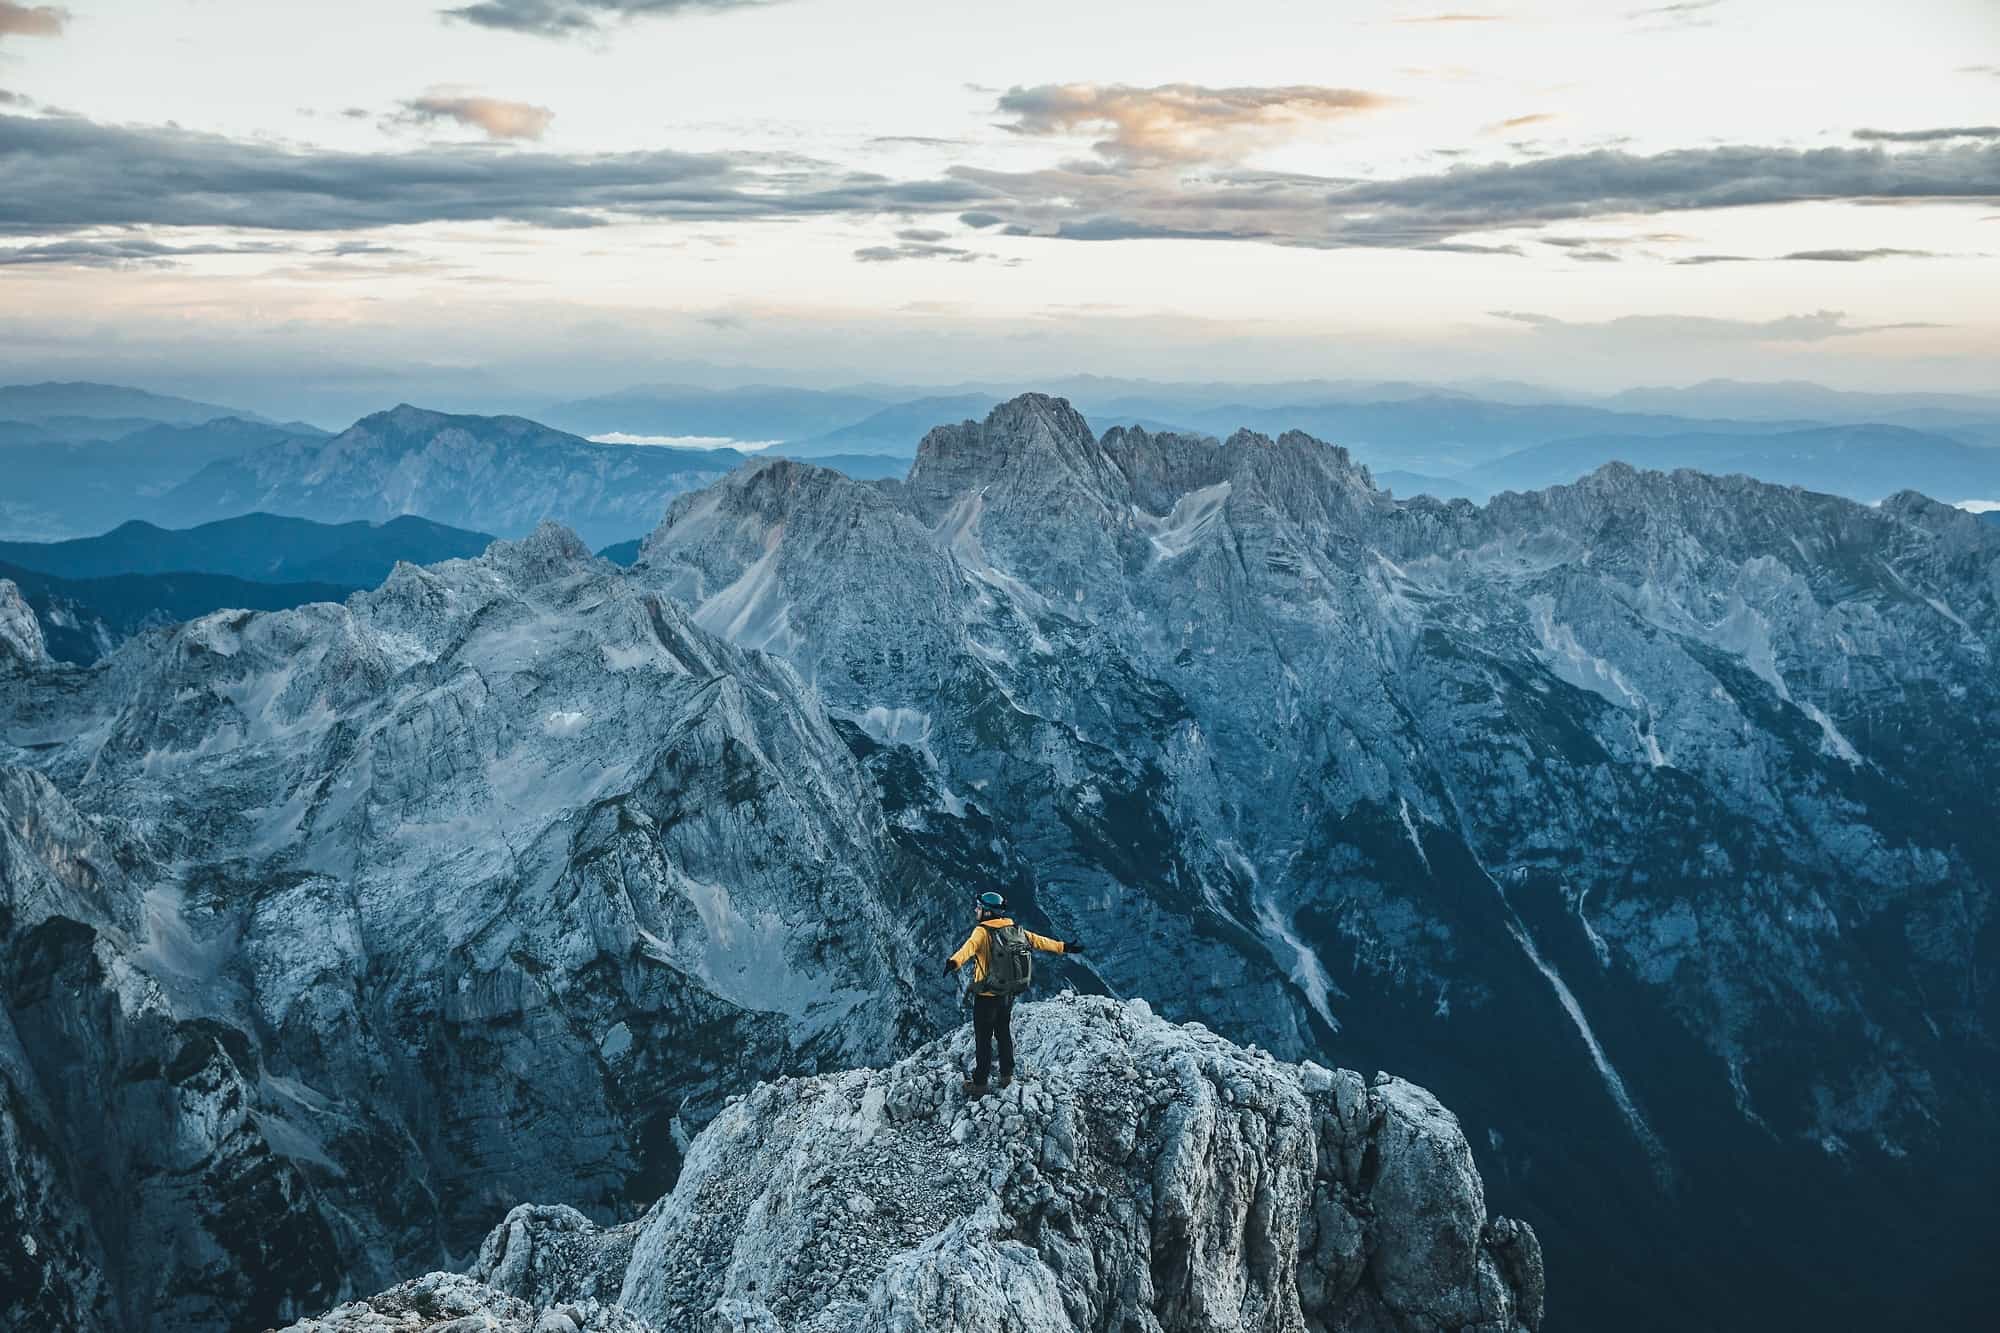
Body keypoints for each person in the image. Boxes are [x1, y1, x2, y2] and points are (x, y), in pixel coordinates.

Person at [944, 891, 1083, 1096]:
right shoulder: (1014, 929)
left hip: (986, 996)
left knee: (983, 1039)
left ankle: (980, 1084)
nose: (976, 910)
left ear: (988, 912)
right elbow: (1039, 941)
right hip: (1006, 994)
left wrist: (953, 962)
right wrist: (1064, 947)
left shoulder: (982, 932)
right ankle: (1007, 1076)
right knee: (1003, 1033)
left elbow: (968, 949)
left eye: (979, 907)